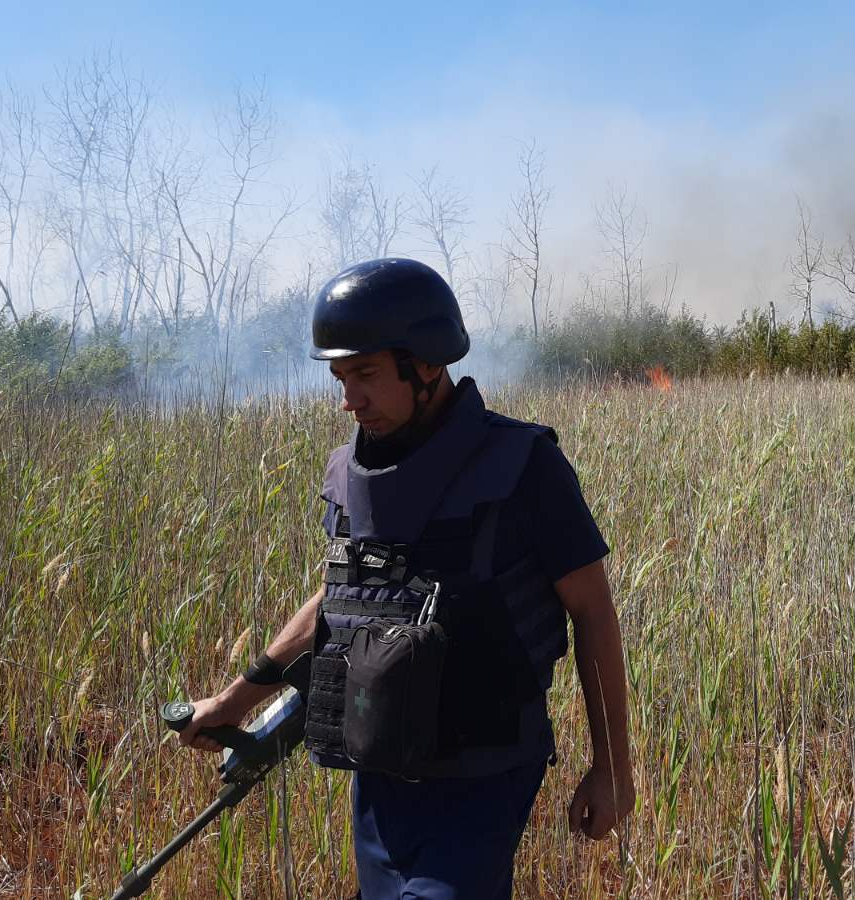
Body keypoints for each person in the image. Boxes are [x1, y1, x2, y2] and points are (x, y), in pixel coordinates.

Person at [179, 257, 634, 898]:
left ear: (426, 364)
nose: (349, 399)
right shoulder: (352, 476)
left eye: (365, 374)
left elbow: (592, 610)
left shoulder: (523, 466)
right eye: (340, 377)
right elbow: (340, 598)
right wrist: (232, 703)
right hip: (380, 767)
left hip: (483, 771)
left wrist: (612, 767)